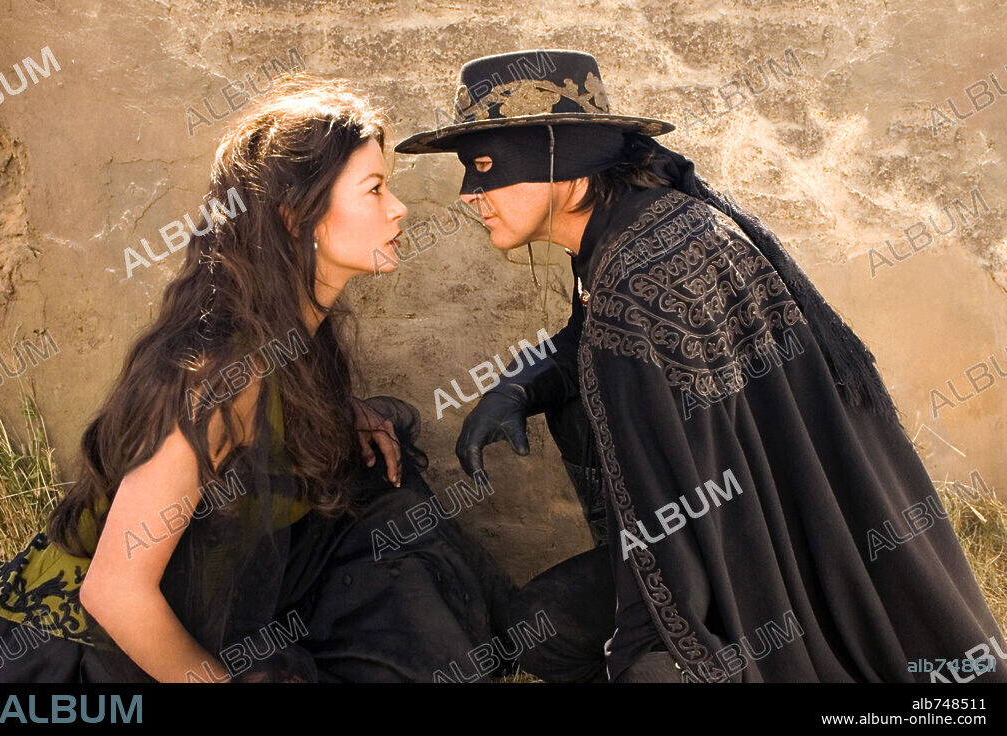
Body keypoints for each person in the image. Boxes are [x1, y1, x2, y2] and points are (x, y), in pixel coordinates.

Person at [395, 49, 1007, 683]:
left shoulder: (635, 280)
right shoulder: (646, 223)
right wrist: (520, 385)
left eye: (487, 168)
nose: (469, 194)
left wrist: (637, 647)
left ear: (569, 170)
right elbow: (587, 338)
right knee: (545, 625)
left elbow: (665, 519)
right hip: (781, 534)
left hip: (750, 568)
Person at [0, 73, 515, 683]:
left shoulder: (287, 337)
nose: (398, 208)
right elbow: (114, 591)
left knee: (383, 495)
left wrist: (340, 413)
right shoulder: (221, 378)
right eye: (374, 189)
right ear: (296, 219)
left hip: (193, 610)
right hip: (92, 652)